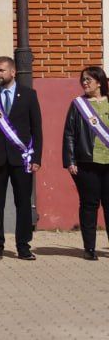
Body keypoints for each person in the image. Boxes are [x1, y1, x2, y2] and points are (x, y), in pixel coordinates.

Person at [0, 55, 43, 260]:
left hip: (22, 159)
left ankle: (23, 246)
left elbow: (36, 129)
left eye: (1, 70)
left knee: (23, 203)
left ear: (13, 72)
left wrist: (37, 157)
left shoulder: (29, 95)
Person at [62, 65, 109, 260]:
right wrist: (70, 160)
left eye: (88, 79)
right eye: (83, 80)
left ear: (99, 82)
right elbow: (69, 134)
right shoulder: (78, 104)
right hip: (86, 162)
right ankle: (89, 248)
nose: (84, 83)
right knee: (89, 205)